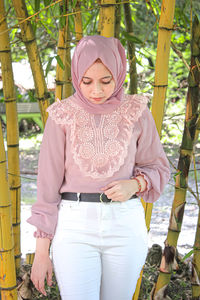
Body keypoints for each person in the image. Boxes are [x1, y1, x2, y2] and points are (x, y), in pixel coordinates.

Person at [27, 35, 170, 300]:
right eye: (87, 81)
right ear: (76, 76)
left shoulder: (136, 111)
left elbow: (159, 167)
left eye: (106, 81)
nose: (96, 90)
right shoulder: (62, 116)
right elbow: (47, 191)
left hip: (125, 225)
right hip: (74, 227)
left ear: (119, 73)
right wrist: (41, 252)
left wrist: (135, 184)